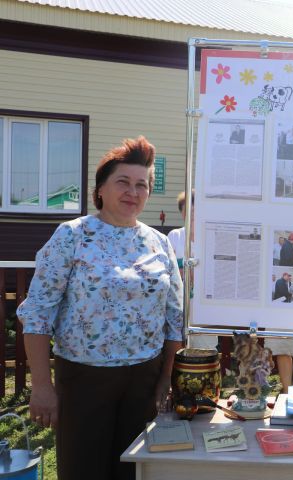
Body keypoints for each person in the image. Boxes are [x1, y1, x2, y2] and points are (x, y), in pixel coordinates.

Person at [17, 136, 184, 480]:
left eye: (142, 185)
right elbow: (37, 314)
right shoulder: (72, 236)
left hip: (144, 379)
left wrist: (165, 377)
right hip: (83, 381)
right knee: (83, 469)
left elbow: (174, 318)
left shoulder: (160, 243)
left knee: (136, 470)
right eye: (123, 182)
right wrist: (42, 387)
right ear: (101, 190)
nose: (132, 192)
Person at [167, 190, 217, 350]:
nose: (192, 215)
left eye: (196, 211)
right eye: (187, 211)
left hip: (204, 312)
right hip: (177, 311)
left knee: (203, 354)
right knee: (176, 354)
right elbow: (168, 272)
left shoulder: (212, 238)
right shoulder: (175, 236)